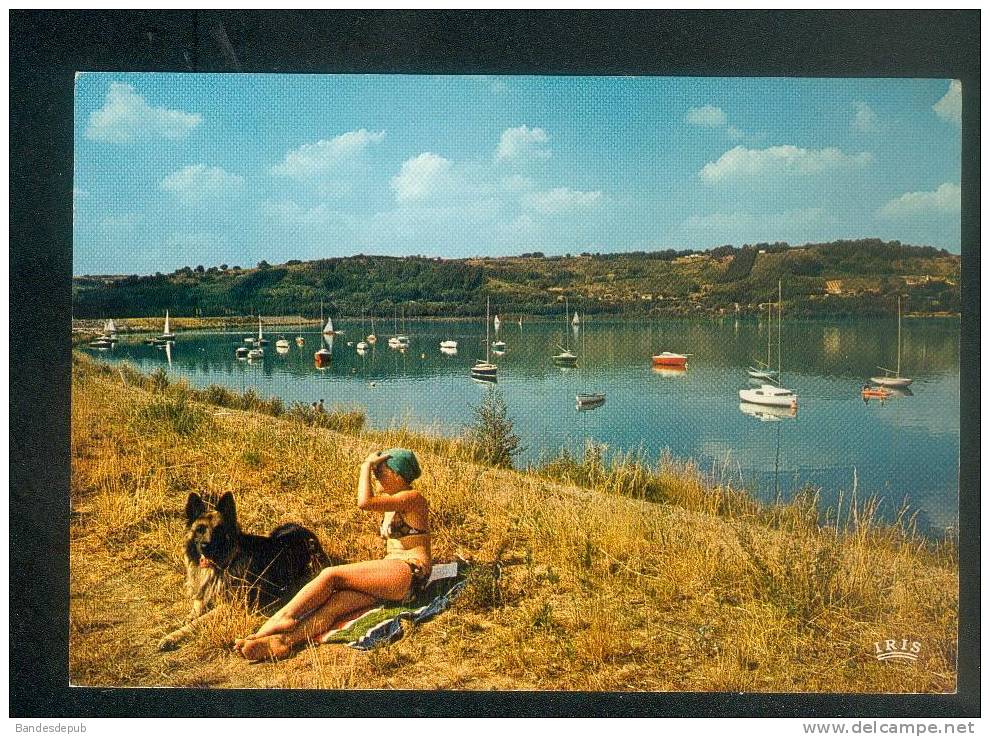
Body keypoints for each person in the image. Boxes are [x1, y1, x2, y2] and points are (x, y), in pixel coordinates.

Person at [234, 448, 431, 661]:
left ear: (398, 475)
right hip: (393, 577)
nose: (376, 476)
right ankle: (283, 642)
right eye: (374, 472)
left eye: (380, 472)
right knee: (334, 605)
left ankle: (283, 617)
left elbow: (363, 502)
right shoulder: (391, 501)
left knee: (331, 575)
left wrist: (365, 465)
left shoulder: (413, 498)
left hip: (411, 571)